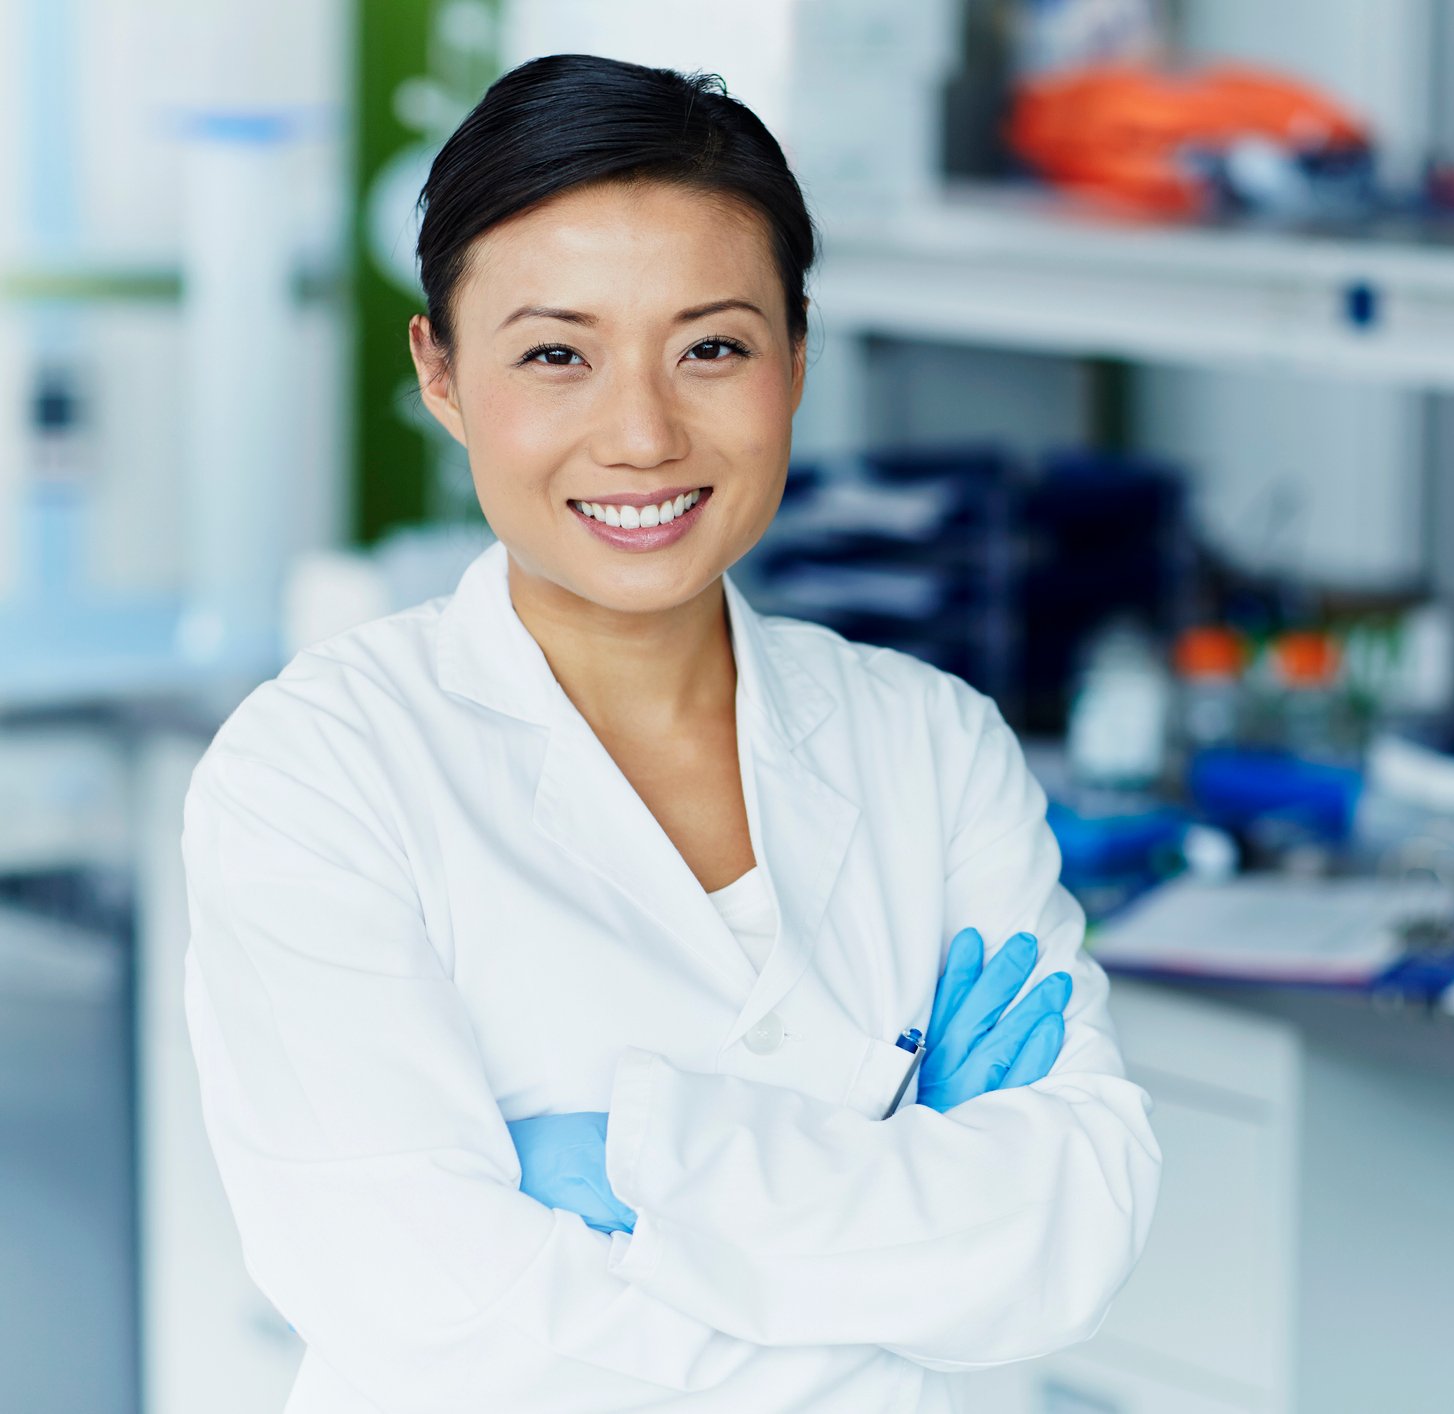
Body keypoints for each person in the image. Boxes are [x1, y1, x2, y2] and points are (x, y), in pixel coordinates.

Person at [181, 53, 1160, 1414]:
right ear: (443, 373)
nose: (640, 432)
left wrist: (641, 1158)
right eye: (555, 355)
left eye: (711, 346)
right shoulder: (319, 771)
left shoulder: (931, 746)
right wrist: (890, 1229)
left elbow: (1073, 1227)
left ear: (795, 360)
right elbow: (428, 1309)